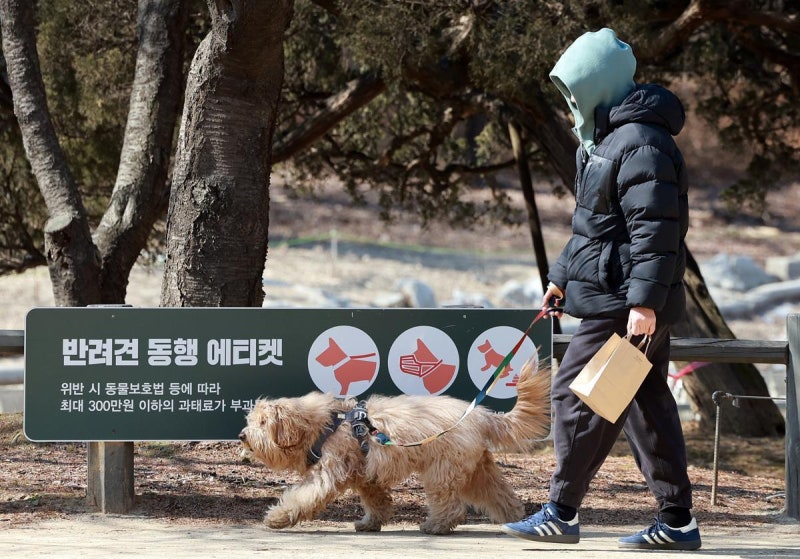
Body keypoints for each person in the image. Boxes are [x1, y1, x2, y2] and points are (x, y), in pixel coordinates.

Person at [501, 28, 701, 550]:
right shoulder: (609, 140)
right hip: (614, 294)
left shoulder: (642, 143)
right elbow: (592, 227)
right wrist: (561, 278)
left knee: (576, 397)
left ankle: (561, 512)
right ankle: (678, 521)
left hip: (623, 303)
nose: (569, 100)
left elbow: (656, 232)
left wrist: (643, 303)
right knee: (645, 407)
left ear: (598, 82)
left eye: (574, 88)